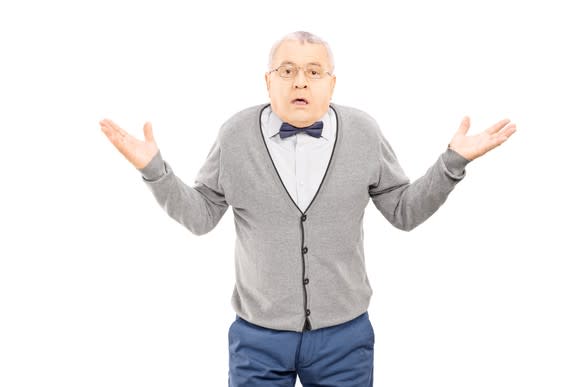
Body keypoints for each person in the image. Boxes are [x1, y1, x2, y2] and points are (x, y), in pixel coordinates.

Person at [100, 31, 516, 387]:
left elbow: (404, 211)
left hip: (345, 337)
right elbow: (201, 215)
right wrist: (154, 169)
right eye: (287, 70)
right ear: (268, 81)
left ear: (332, 84)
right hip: (257, 338)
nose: (301, 81)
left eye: (314, 71)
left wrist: (453, 162)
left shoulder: (364, 132)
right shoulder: (234, 135)